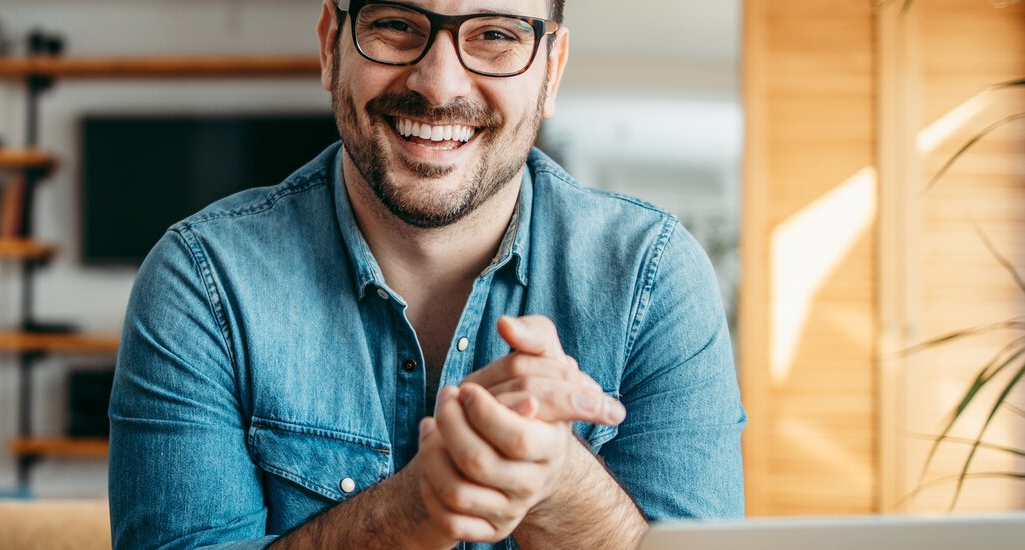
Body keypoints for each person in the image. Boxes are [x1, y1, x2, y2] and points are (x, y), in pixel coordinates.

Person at [109, 0, 745, 548]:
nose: (440, 85)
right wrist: (415, 510)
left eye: (495, 34)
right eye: (396, 24)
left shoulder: (655, 277)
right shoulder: (201, 281)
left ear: (550, 71)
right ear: (332, 44)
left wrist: (559, 480)